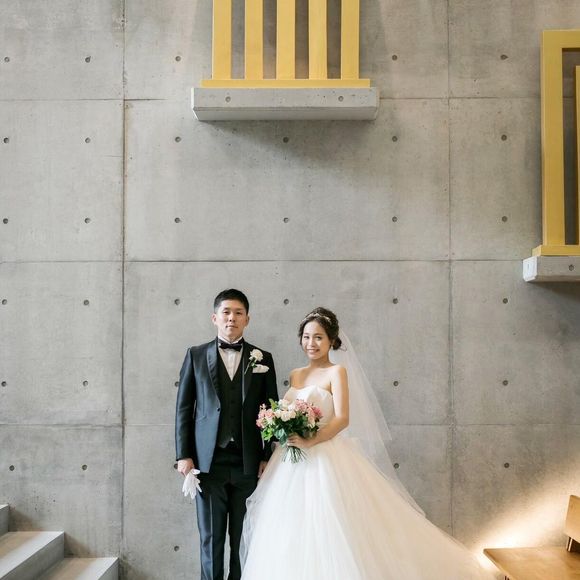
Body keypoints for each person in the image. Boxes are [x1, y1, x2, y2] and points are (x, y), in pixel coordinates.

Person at [240, 307, 494, 580]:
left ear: (331, 341)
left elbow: (342, 418)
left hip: (324, 454)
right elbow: (287, 411)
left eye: (318, 337)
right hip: (290, 460)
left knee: (331, 525)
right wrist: (283, 429)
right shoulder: (296, 375)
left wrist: (310, 440)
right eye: (306, 337)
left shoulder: (336, 372)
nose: (311, 343)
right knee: (290, 528)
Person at [175, 289, 278, 580]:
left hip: (248, 463)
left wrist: (267, 455)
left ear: (247, 319)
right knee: (211, 538)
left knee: (244, 539)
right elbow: (184, 409)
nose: (232, 318)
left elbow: (271, 410)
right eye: (226, 312)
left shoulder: (263, 358)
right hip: (208, 464)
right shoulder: (195, 355)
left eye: (238, 313)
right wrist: (184, 455)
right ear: (215, 317)